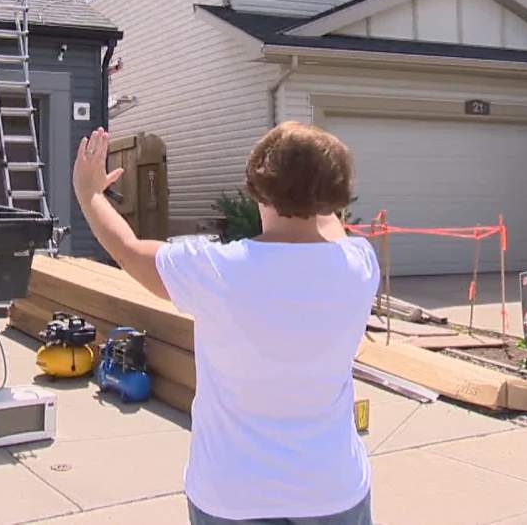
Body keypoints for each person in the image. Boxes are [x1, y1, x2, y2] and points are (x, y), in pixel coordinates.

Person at [72, 121, 379, 525]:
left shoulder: (215, 270)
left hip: (231, 492)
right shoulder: (358, 264)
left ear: (255, 186)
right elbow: (327, 223)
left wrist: (90, 193)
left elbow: (128, 251)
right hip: (332, 488)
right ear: (333, 196)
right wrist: (317, 176)